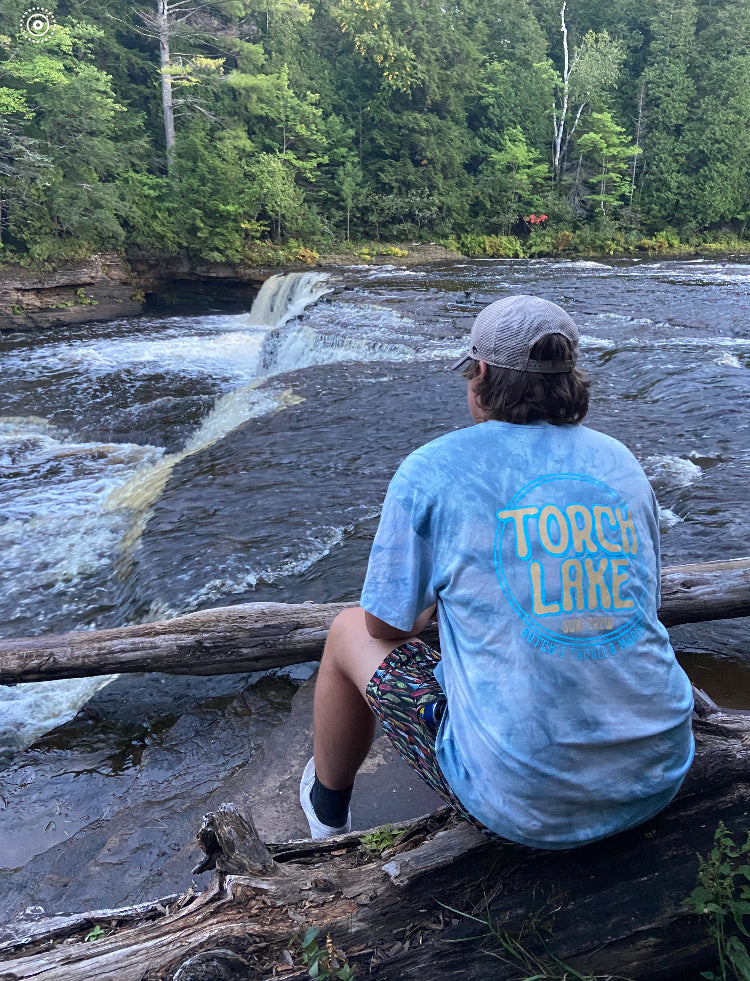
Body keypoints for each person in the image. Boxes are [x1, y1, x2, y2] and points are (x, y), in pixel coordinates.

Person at [299, 294, 694, 848]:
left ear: (480, 372)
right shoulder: (620, 462)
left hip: (522, 806)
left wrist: (440, 603)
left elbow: (383, 628)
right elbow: (637, 606)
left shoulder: (431, 468)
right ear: (570, 376)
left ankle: (326, 810)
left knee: (346, 630)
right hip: (659, 772)